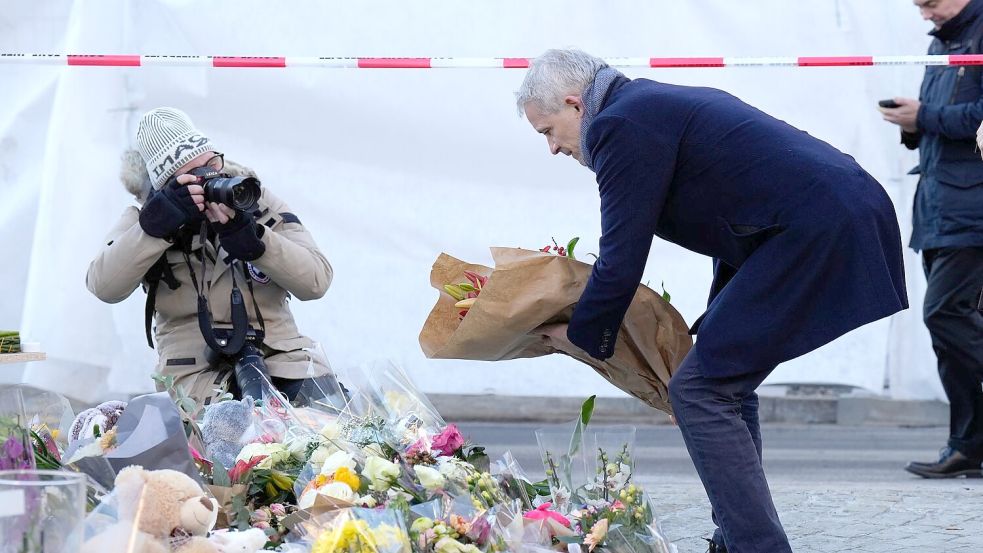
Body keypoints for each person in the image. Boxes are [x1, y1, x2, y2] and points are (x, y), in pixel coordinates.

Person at [520, 49, 907, 552]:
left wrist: (578, 338)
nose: (552, 148)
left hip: (818, 228)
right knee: (721, 383)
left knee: (702, 390)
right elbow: (734, 198)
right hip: (814, 220)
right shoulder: (645, 106)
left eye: (547, 131)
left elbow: (622, 255)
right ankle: (736, 536)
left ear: (575, 104)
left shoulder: (620, 124)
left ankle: (755, 545)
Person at [87, 107, 340, 406]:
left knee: (328, 428)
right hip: (196, 373)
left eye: (211, 164)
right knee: (233, 437)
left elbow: (317, 281)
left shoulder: (253, 199)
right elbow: (103, 285)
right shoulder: (146, 219)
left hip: (282, 357)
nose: (209, 178)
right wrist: (154, 230)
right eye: (193, 176)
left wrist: (258, 243)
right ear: (168, 186)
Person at [880, 0, 983, 479]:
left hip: (973, 209)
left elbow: (976, 118)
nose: (925, 14)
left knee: (946, 314)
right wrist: (912, 125)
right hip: (939, 206)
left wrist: (926, 116)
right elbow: (941, 123)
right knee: (950, 335)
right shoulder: (941, 43)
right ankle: (968, 445)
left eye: (930, 3)